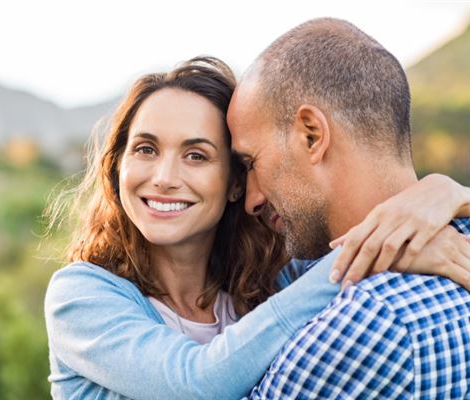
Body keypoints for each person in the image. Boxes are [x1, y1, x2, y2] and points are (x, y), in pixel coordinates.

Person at [44, 57, 470, 400]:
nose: (163, 176)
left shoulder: (271, 278)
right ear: (118, 164)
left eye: (196, 155)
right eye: (145, 149)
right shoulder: (82, 296)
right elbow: (194, 382)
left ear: (234, 183)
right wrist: (374, 246)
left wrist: (441, 192)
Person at [226, 18, 470, 399]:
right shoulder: (460, 237)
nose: (252, 198)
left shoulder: (363, 322)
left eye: (251, 163)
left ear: (312, 135)